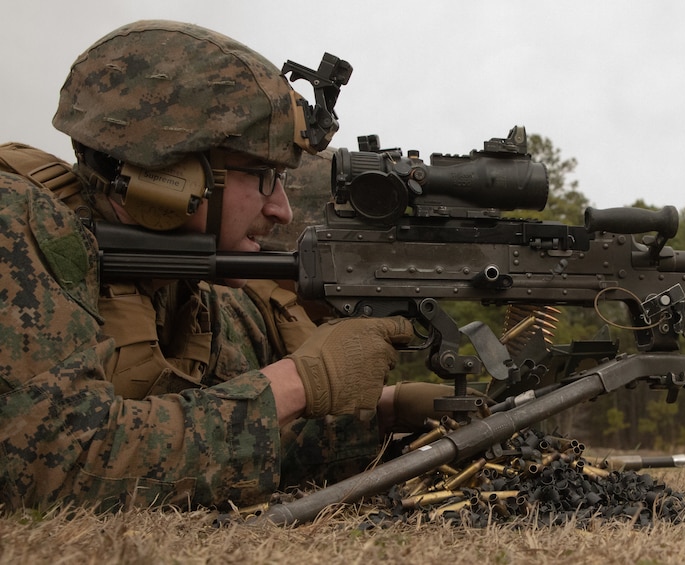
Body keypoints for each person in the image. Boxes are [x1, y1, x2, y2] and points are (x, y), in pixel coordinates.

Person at [0, 20, 454, 512]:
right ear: (169, 170)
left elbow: (210, 446)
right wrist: (300, 382)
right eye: (262, 175)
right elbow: (54, 467)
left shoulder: (183, 288)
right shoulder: (15, 221)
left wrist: (387, 414)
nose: (280, 208)